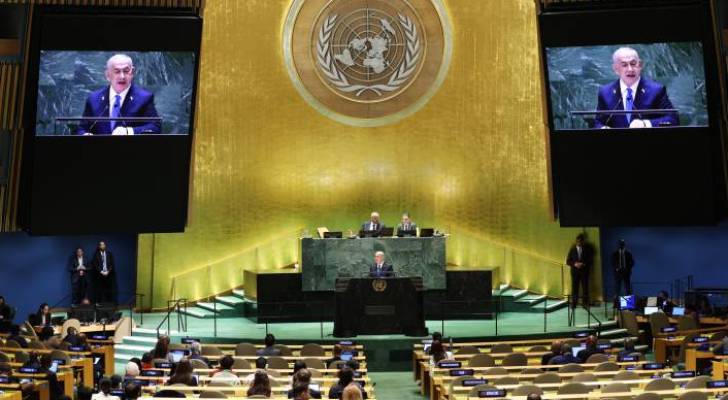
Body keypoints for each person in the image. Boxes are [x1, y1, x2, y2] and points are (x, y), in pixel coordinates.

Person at [594, 47, 678, 129]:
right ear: (616, 69)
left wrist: (646, 124)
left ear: (640, 65)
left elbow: (673, 120)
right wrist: (603, 127)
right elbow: (598, 122)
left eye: (633, 64)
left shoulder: (656, 91)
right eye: (624, 65)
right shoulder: (605, 93)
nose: (630, 69)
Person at [77, 54, 161, 135]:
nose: (122, 76)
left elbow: (155, 127)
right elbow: (82, 128)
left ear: (132, 73)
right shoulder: (93, 99)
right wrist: (85, 134)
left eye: (126, 71)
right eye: (117, 71)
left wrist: (129, 131)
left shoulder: (144, 98)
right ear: (107, 75)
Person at [566, 234, 594, 308]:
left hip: (584, 272)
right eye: (578, 241)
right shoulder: (572, 250)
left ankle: (585, 303)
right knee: (574, 288)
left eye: (580, 241)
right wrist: (575, 264)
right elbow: (568, 261)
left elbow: (591, 261)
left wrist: (583, 264)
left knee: (585, 288)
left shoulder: (587, 249)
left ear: (583, 241)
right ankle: (574, 303)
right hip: (575, 272)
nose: (579, 242)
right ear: (576, 241)